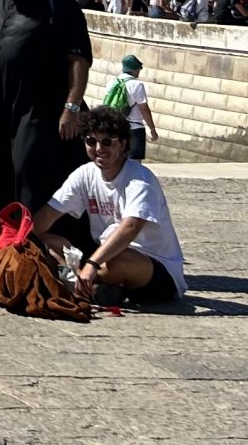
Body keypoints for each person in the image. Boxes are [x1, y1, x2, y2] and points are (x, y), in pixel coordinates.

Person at [0, 0, 94, 219]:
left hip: (40, 111)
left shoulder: (58, 4)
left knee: (31, 177)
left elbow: (79, 59)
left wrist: (71, 107)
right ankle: (0, 240)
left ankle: (36, 239)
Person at [34, 106, 190, 307]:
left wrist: (92, 264)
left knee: (117, 260)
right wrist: (19, 239)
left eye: (107, 141)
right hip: (105, 258)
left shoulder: (139, 179)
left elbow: (130, 227)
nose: (99, 148)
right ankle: (92, 287)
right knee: (47, 241)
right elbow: (48, 214)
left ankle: (74, 284)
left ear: (123, 144)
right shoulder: (84, 174)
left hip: (155, 271)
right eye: (91, 141)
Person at [98, 53, 159, 163]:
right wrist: (152, 129)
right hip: (134, 129)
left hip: (116, 127)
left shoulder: (112, 83)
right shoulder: (137, 85)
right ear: (134, 70)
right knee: (134, 164)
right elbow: (144, 109)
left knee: (117, 162)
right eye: (138, 69)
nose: (139, 71)